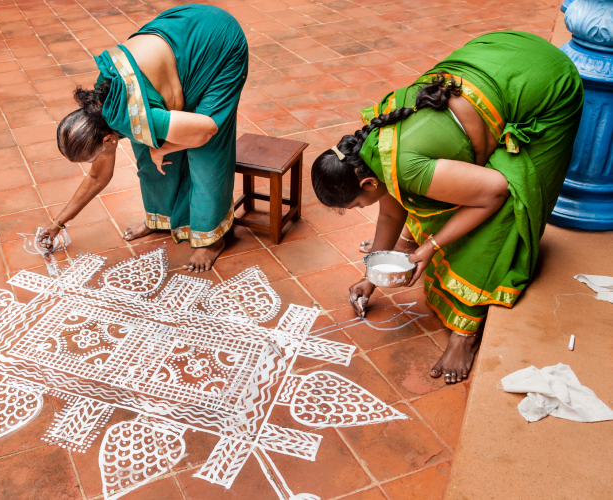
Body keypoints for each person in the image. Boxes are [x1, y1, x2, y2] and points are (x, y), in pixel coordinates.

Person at [311, 31, 583, 384]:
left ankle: (464, 335)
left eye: (358, 204)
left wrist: (431, 246)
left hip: (548, 84)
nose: (365, 206)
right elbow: (392, 211)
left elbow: (494, 193)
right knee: (424, 196)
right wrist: (370, 278)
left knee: (502, 208)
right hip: (502, 53)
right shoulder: (373, 143)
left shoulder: (407, 167)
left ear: (367, 183)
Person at [44, 4, 248, 273]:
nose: (94, 163)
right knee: (147, 146)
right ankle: (159, 219)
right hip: (179, 42)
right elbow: (97, 177)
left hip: (217, 43)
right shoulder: (103, 108)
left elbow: (207, 130)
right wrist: (58, 223)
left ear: (108, 141)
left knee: (204, 154)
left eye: (93, 157)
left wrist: (165, 148)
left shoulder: (136, 115)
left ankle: (211, 239)